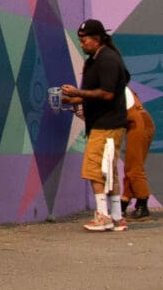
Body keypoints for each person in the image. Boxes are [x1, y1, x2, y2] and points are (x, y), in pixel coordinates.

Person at [60, 19, 131, 232]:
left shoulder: (107, 59)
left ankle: (102, 215)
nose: (82, 45)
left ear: (97, 39)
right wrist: (72, 100)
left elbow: (107, 93)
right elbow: (96, 94)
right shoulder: (95, 60)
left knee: (94, 169)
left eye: (84, 40)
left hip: (106, 124)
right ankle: (117, 216)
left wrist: (77, 93)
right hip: (104, 123)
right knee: (109, 170)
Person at [122, 86, 156, 220]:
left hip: (138, 123)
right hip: (140, 122)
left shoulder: (110, 84)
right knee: (131, 166)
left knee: (134, 167)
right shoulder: (116, 84)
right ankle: (123, 204)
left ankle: (142, 204)